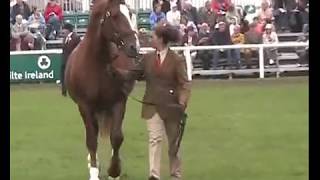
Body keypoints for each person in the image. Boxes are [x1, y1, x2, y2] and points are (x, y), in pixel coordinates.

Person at [137, 22, 191, 180]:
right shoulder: (147, 58)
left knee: (173, 144)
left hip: (172, 107)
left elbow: (184, 83)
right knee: (154, 139)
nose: (151, 39)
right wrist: (117, 73)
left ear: (161, 39)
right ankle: (154, 174)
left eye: (153, 36)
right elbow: (134, 73)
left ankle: (175, 174)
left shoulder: (176, 60)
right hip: (152, 106)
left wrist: (182, 102)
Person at [61, 23, 81, 96]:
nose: (62, 31)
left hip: (72, 61)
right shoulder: (65, 38)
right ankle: (64, 91)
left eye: (64, 29)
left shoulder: (76, 37)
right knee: (63, 76)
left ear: (68, 30)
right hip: (65, 60)